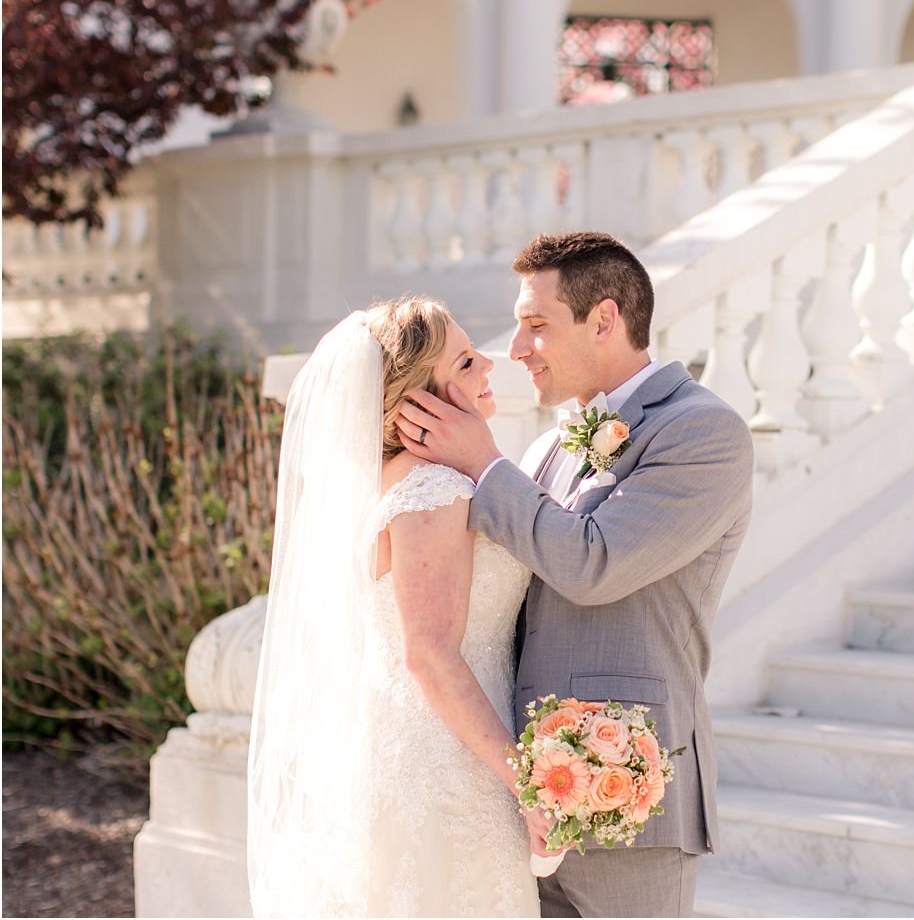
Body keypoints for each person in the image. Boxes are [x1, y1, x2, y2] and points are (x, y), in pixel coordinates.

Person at [397, 231, 754, 918]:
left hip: (631, 790)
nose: (517, 347)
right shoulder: (548, 444)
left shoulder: (703, 433)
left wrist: (482, 463)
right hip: (518, 790)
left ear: (604, 319)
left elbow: (594, 565)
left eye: (536, 325)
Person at [247, 297, 539, 918]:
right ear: (418, 403)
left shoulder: (385, 483)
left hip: (407, 747)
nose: (487, 363)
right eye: (464, 361)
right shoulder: (433, 489)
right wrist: (529, 784)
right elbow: (430, 655)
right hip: (450, 767)